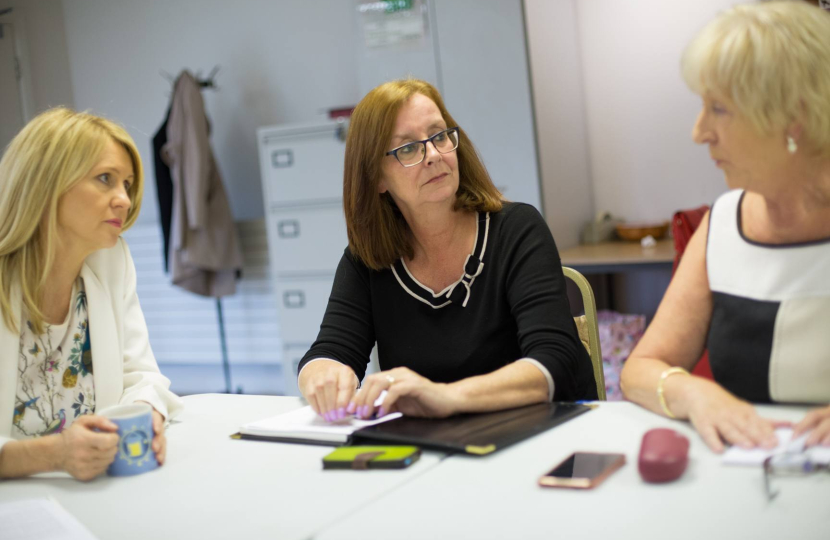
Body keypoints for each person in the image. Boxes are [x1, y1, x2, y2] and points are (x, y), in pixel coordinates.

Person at [298, 79, 597, 422]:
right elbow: (330, 351)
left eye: (439, 135)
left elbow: (554, 362)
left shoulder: (517, 229)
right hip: (437, 449)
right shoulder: (366, 260)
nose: (434, 155)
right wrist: (322, 375)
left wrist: (446, 397)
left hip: (543, 438)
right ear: (376, 178)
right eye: (408, 148)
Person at [621, 1, 830, 452]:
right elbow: (641, 370)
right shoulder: (723, 226)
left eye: (719, 109)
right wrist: (695, 394)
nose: (699, 132)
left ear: (792, 117)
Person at [0, 108, 183, 480]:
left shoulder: (110, 262)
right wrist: (53, 454)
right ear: (45, 183)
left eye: (127, 185)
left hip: (90, 493)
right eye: (105, 179)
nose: (124, 200)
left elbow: (142, 375)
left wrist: (147, 413)